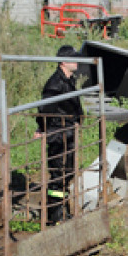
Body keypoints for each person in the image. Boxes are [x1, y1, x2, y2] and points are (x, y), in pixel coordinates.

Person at [37, 44, 83, 225]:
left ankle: (62, 210)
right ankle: (54, 214)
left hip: (68, 131)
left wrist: (78, 119)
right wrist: (42, 128)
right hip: (58, 132)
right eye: (73, 58)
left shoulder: (69, 79)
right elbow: (44, 109)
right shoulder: (55, 83)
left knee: (68, 171)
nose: (77, 61)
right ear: (63, 62)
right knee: (58, 172)